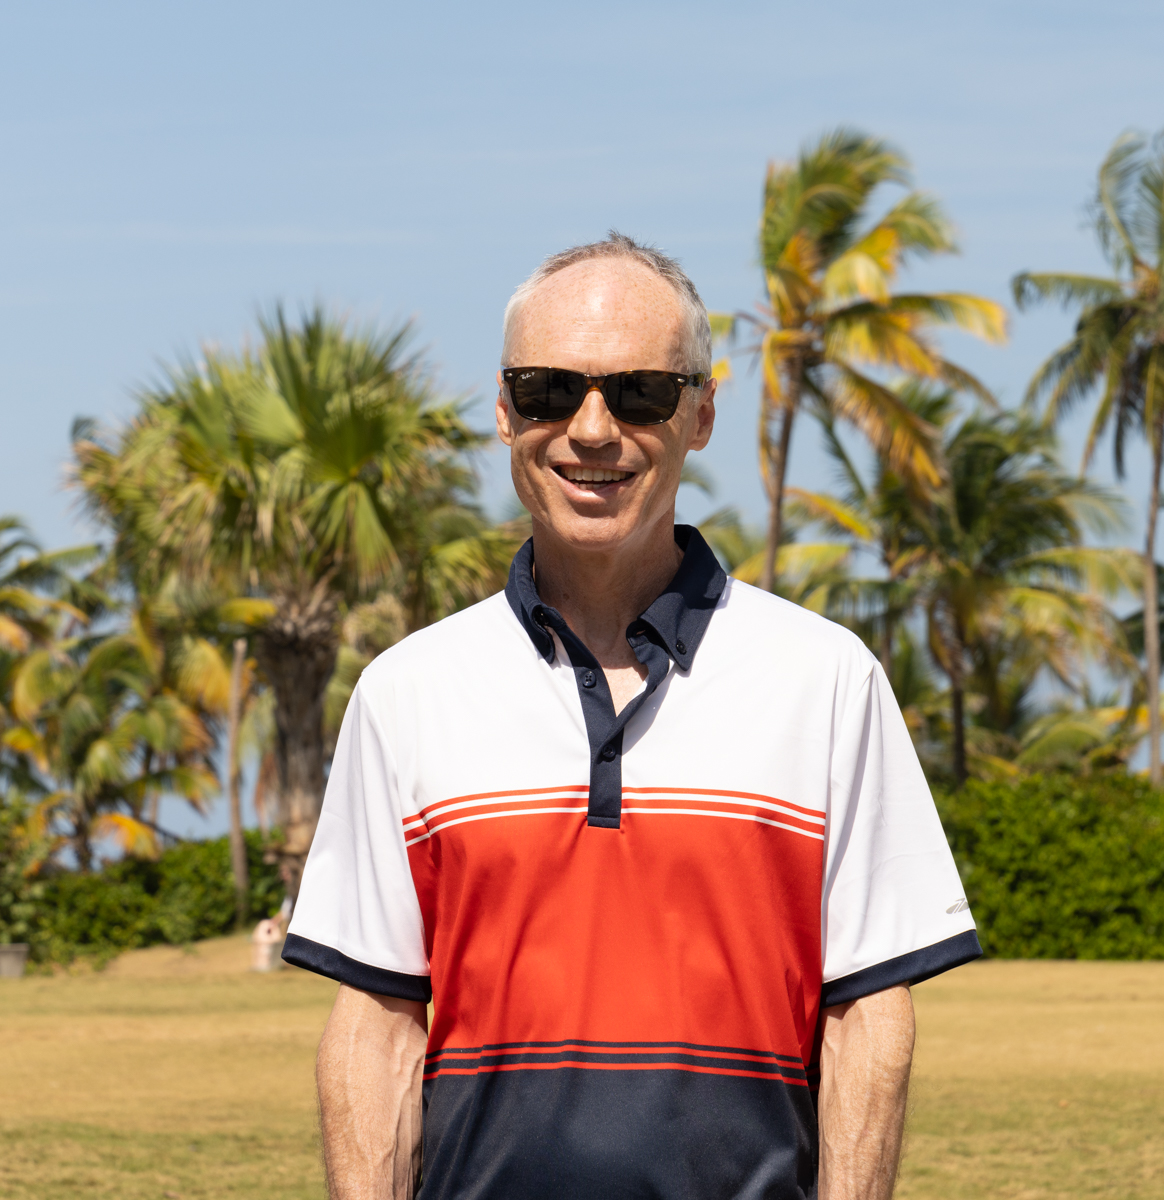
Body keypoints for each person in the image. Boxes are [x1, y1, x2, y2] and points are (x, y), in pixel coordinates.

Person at [282, 233, 981, 1200]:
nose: (592, 429)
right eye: (548, 391)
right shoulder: (407, 691)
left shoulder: (826, 680)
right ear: (501, 410)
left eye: (640, 392)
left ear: (699, 413)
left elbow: (868, 1018)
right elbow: (377, 1024)